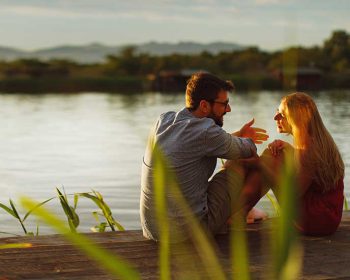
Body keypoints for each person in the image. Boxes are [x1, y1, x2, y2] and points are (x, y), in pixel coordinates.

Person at [140, 72, 269, 242]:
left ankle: (231, 213)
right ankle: (236, 215)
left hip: (152, 231)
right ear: (204, 105)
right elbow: (247, 149)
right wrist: (247, 138)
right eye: (225, 104)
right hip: (187, 234)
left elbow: (203, 144)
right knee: (247, 163)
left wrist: (237, 136)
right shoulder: (206, 131)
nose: (228, 109)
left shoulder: (164, 120)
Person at [263, 92, 344, 236]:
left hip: (317, 220)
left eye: (282, 114)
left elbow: (292, 194)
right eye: (277, 111)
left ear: (296, 119)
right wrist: (290, 149)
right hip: (328, 218)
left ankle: (240, 211)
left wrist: (258, 165)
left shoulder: (309, 149)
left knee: (270, 159)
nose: (275, 117)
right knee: (276, 154)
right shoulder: (317, 142)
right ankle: (243, 211)